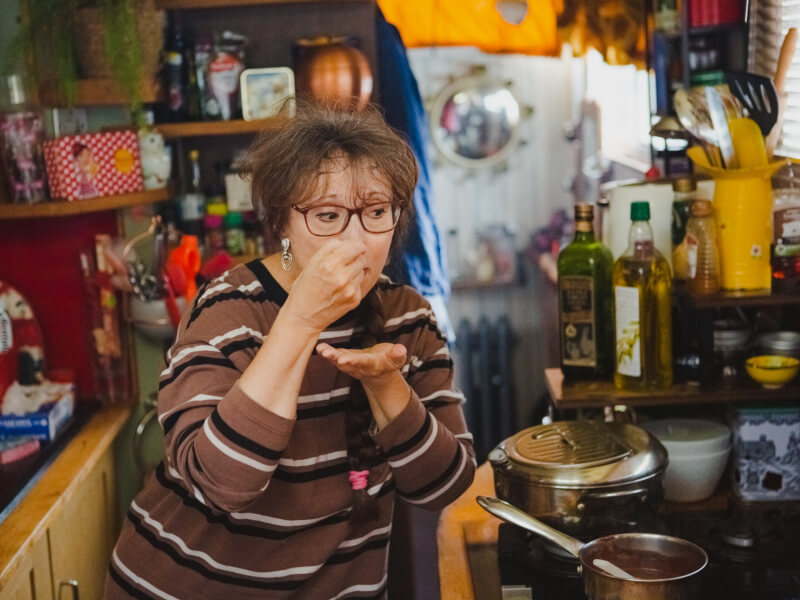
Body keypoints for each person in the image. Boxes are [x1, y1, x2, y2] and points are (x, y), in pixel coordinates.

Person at [105, 105, 476, 599]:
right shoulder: (228, 309)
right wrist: (300, 320)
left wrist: (386, 385)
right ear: (282, 223)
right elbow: (222, 485)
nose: (355, 239)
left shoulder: (409, 319)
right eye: (327, 216)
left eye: (376, 213)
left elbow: (444, 488)